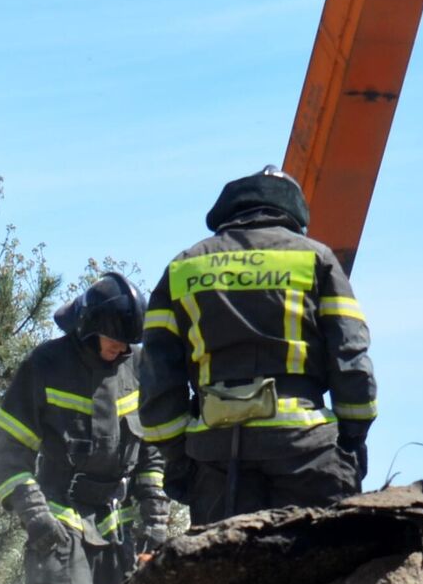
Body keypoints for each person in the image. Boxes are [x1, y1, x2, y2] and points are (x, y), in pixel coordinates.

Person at [138, 167, 377, 525]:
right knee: (323, 566)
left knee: (224, 573)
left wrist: (180, 456)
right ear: (293, 213)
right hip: (305, 447)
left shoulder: (182, 268)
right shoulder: (316, 258)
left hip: (215, 454)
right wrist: (353, 439)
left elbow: (157, 378)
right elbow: (350, 358)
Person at [0, 273, 172, 584]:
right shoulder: (46, 365)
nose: (120, 348)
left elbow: (152, 452)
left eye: (127, 343)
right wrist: (35, 515)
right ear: (88, 328)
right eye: (114, 340)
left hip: (117, 523)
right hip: (58, 515)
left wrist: (154, 518)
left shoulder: (136, 367)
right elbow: (5, 452)